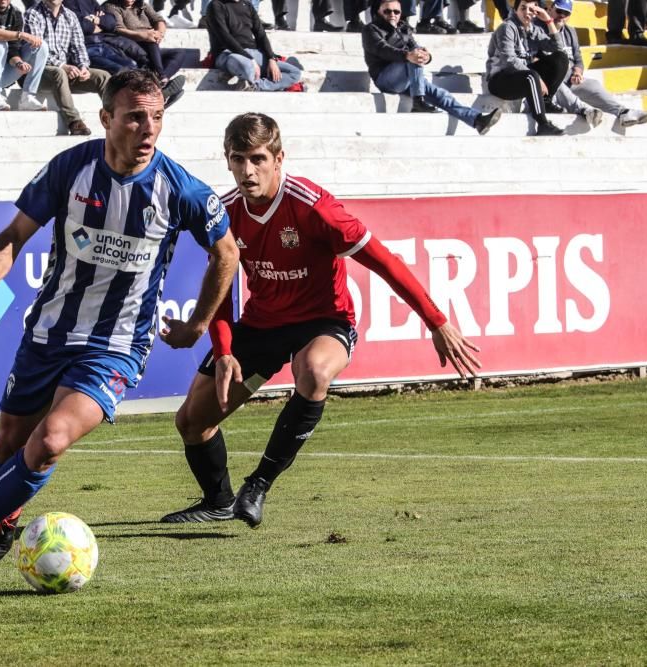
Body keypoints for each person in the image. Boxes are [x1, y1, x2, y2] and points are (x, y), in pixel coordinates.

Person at [0, 69, 241, 587]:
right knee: (11, 444)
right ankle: (4, 513)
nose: (148, 130)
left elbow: (226, 252)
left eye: (157, 118)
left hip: (117, 345)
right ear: (106, 119)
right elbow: (12, 236)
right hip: (49, 332)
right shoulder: (70, 169)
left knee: (51, 440)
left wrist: (200, 324)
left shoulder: (177, 187)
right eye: (135, 117)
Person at [160, 112, 481, 527]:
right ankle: (218, 500)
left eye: (258, 159)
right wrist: (223, 351)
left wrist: (436, 322)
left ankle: (258, 485)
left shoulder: (315, 209)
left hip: (324, 321)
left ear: (279, 158)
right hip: (263, 324)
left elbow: (386, 263)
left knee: (312, 370)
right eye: (238, 159)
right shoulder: (226, 213)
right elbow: (221, 284)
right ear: (227, 160)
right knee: (192, 421)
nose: (247, 170)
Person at [363, 0, 501, 134]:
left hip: (407, 78)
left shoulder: (403, 28)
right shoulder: (371, 29)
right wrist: (408, 55)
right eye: (387, 11)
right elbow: (383, 49)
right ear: (379, 12)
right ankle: (418, 101)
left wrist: (427, 56)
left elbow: (416, 47)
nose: (392, 14)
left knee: (442, 95)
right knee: (413, 57)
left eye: (396, 11)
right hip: (385, 78)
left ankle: (477, 120)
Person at [548, 0, 647, 128]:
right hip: (551, 83)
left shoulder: (570, 31)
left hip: (570, 80)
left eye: (566, 13)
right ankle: (585, 110)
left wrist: (577, 71)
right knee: (558, 84)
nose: (562, 16)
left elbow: (578, 59)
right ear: (550, 10)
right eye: (559, 11)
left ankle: (622, 112)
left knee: (594, 84)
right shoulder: (539, 29)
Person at [25, 0, 112, 134]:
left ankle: (116, 117)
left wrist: (83, 67)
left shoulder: (70, 16)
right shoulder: (33, 14)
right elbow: (36, 50)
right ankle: (74, 121)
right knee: (58, 73)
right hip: (38, 73)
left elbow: (78, 47)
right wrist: (63, 66)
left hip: (65, 72)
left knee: (103, 76)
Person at [484, 0, 568, 136]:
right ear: (515, 10)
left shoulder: (533, 30)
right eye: (523, 8)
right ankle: (543, 124)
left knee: (561, 58)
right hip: (499, 80)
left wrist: (548, 20)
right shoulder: (507, 28)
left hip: (523, 77)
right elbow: (509, 61)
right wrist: (537, 78)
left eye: (531, 9)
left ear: (536, 13)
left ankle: (545, 101)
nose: (527, 12)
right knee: (531, 75)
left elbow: (557, 47)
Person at [101, 0, 188, 107]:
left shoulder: (142, 5)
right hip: (130, 45)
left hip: (150, 45)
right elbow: (118, 29)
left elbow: (159, 20)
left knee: (180, 53)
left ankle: (159, 84)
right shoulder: (111, 6)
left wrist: (159, 33)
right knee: (150, 40)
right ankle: (161, 79)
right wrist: (143, 35)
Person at [206, 0, 305, 92]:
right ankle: (256, 83)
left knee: (294, 73)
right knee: (247, 66)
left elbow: (260, 34)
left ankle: (257, 86)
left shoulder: (247, 5)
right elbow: (225, 38)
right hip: (228, 53)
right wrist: (250, 59)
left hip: (254, 53)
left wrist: (271, 58)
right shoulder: (216, 5)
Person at [64, 0, 149, 74]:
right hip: (86, 49)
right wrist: (99, 24)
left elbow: (111, 22)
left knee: (132, 64)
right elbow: (82, 26)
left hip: (102, 45)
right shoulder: (66, 3)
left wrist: (97, 20)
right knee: (121, 70)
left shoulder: (90, 1)